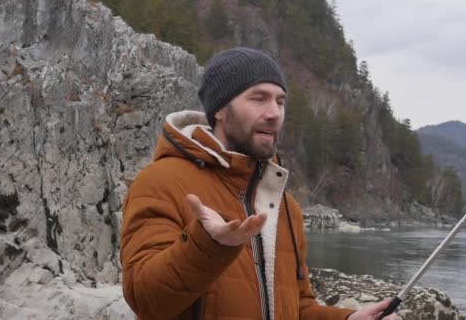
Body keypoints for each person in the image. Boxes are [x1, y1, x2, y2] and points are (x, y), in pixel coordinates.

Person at [120, 47, 399, 320]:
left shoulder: (285, 206)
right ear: (220, 109)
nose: (274, 113)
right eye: (259, 98)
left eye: (280, 101)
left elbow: (298, 308)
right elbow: (145, 300)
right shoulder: (161, 181)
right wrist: (208, 246)